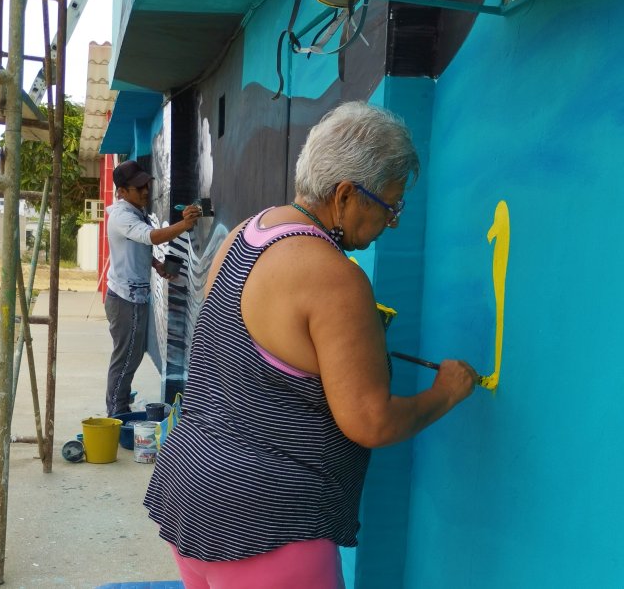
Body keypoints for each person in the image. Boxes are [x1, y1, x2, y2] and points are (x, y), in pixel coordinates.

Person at [144, 102, 478, 589]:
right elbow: (371, 420)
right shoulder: (334, 277)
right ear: (346, 194)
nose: (393, 222)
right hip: (266, 524)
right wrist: (446, 392)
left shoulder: (246, 235)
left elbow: (249, 357)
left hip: (191, 490)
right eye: (391, 205)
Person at [104, 159, 201, 417]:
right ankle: (116, 413)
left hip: (130, 295)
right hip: (126, 299)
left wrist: (156, 264)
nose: (146, 190)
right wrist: (184, 225)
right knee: (125, 359)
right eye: (138, 188)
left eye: (146, 184)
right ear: (122, 191)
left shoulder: (135, 210)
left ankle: (119, 405)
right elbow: (150, 237)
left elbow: (137, 247)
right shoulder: (123, 216)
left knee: (130, 357)